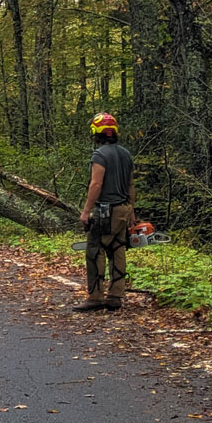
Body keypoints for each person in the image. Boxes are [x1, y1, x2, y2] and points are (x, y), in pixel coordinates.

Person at [75, 112, 134, 312]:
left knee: (94, 250)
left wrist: (86, 211)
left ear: (96, 133)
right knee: (117, 249)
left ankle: (95, 296)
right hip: (123, 209)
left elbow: (96, 183)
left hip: (107, 210)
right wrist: (131, 211)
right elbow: (130, 185)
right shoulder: (126, 154)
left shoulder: (99, 155)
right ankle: (116, 296)